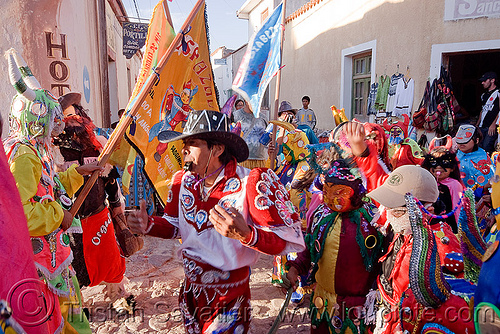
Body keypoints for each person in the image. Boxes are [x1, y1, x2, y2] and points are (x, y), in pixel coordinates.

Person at [127, 109, 305, 333]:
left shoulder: (250, 182)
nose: (184, 151)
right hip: (191, 293)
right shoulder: (181, 181)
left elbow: (283, 240)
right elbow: (175, 227)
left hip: (230, 297)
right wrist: (148, 225)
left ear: (218, 149)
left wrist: (247, 235)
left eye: (192, 143)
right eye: (184, 144)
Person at [4, 49, 96, 333]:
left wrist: (75, 174)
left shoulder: (37, 150)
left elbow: (49, 189)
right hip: (41, 266)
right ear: (36, 118)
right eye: (52, 120)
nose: (57, 127)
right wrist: (59, 216)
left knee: (73, 320)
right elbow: (19, 214)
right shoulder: (24, 156)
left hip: (55, 259)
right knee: (61, 322)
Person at [455, 124, 494, 189]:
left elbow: (488, 183)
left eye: (466, 141)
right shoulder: (454, 155)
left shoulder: (483, 158)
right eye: (459, 141)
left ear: (476, 140)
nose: (462, 144)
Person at [232, 100, 268, 169]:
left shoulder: (263, 117)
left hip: (260, 160)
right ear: (246, 100)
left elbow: (268, 137)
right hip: (242, 160)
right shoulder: (235, 116)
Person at [476, 71, 499, 153]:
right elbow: (482, 111)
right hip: (482, 127)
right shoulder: (484, 95)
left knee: (487, 148)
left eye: (485, 81)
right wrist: (477, 125)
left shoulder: (498, 93)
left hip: (491, 127)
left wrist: (493, 125)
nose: (482, 83)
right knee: (479, 147)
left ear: (492, 80)